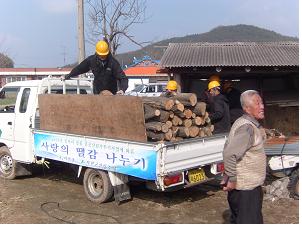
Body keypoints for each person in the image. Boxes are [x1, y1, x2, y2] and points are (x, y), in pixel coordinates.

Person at [221, 90, 267, 224]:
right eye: (257, 103)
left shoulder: (245, 123)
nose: (262, 106)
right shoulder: (247, 128)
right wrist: (232, 178)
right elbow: (229, 153)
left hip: (248, 188)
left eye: (261, 102)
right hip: (246, 190)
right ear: (247, 108)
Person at [64, 40, 128, 95]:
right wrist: (69, 75)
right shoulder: (92, 60)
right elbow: (79, 69)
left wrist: (122, 89)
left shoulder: (113, 63)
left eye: (104, 55)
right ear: (97, 53)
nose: (102, 57)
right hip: (97, 92)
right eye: (101, 55)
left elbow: (123, 78)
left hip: (111, 93)